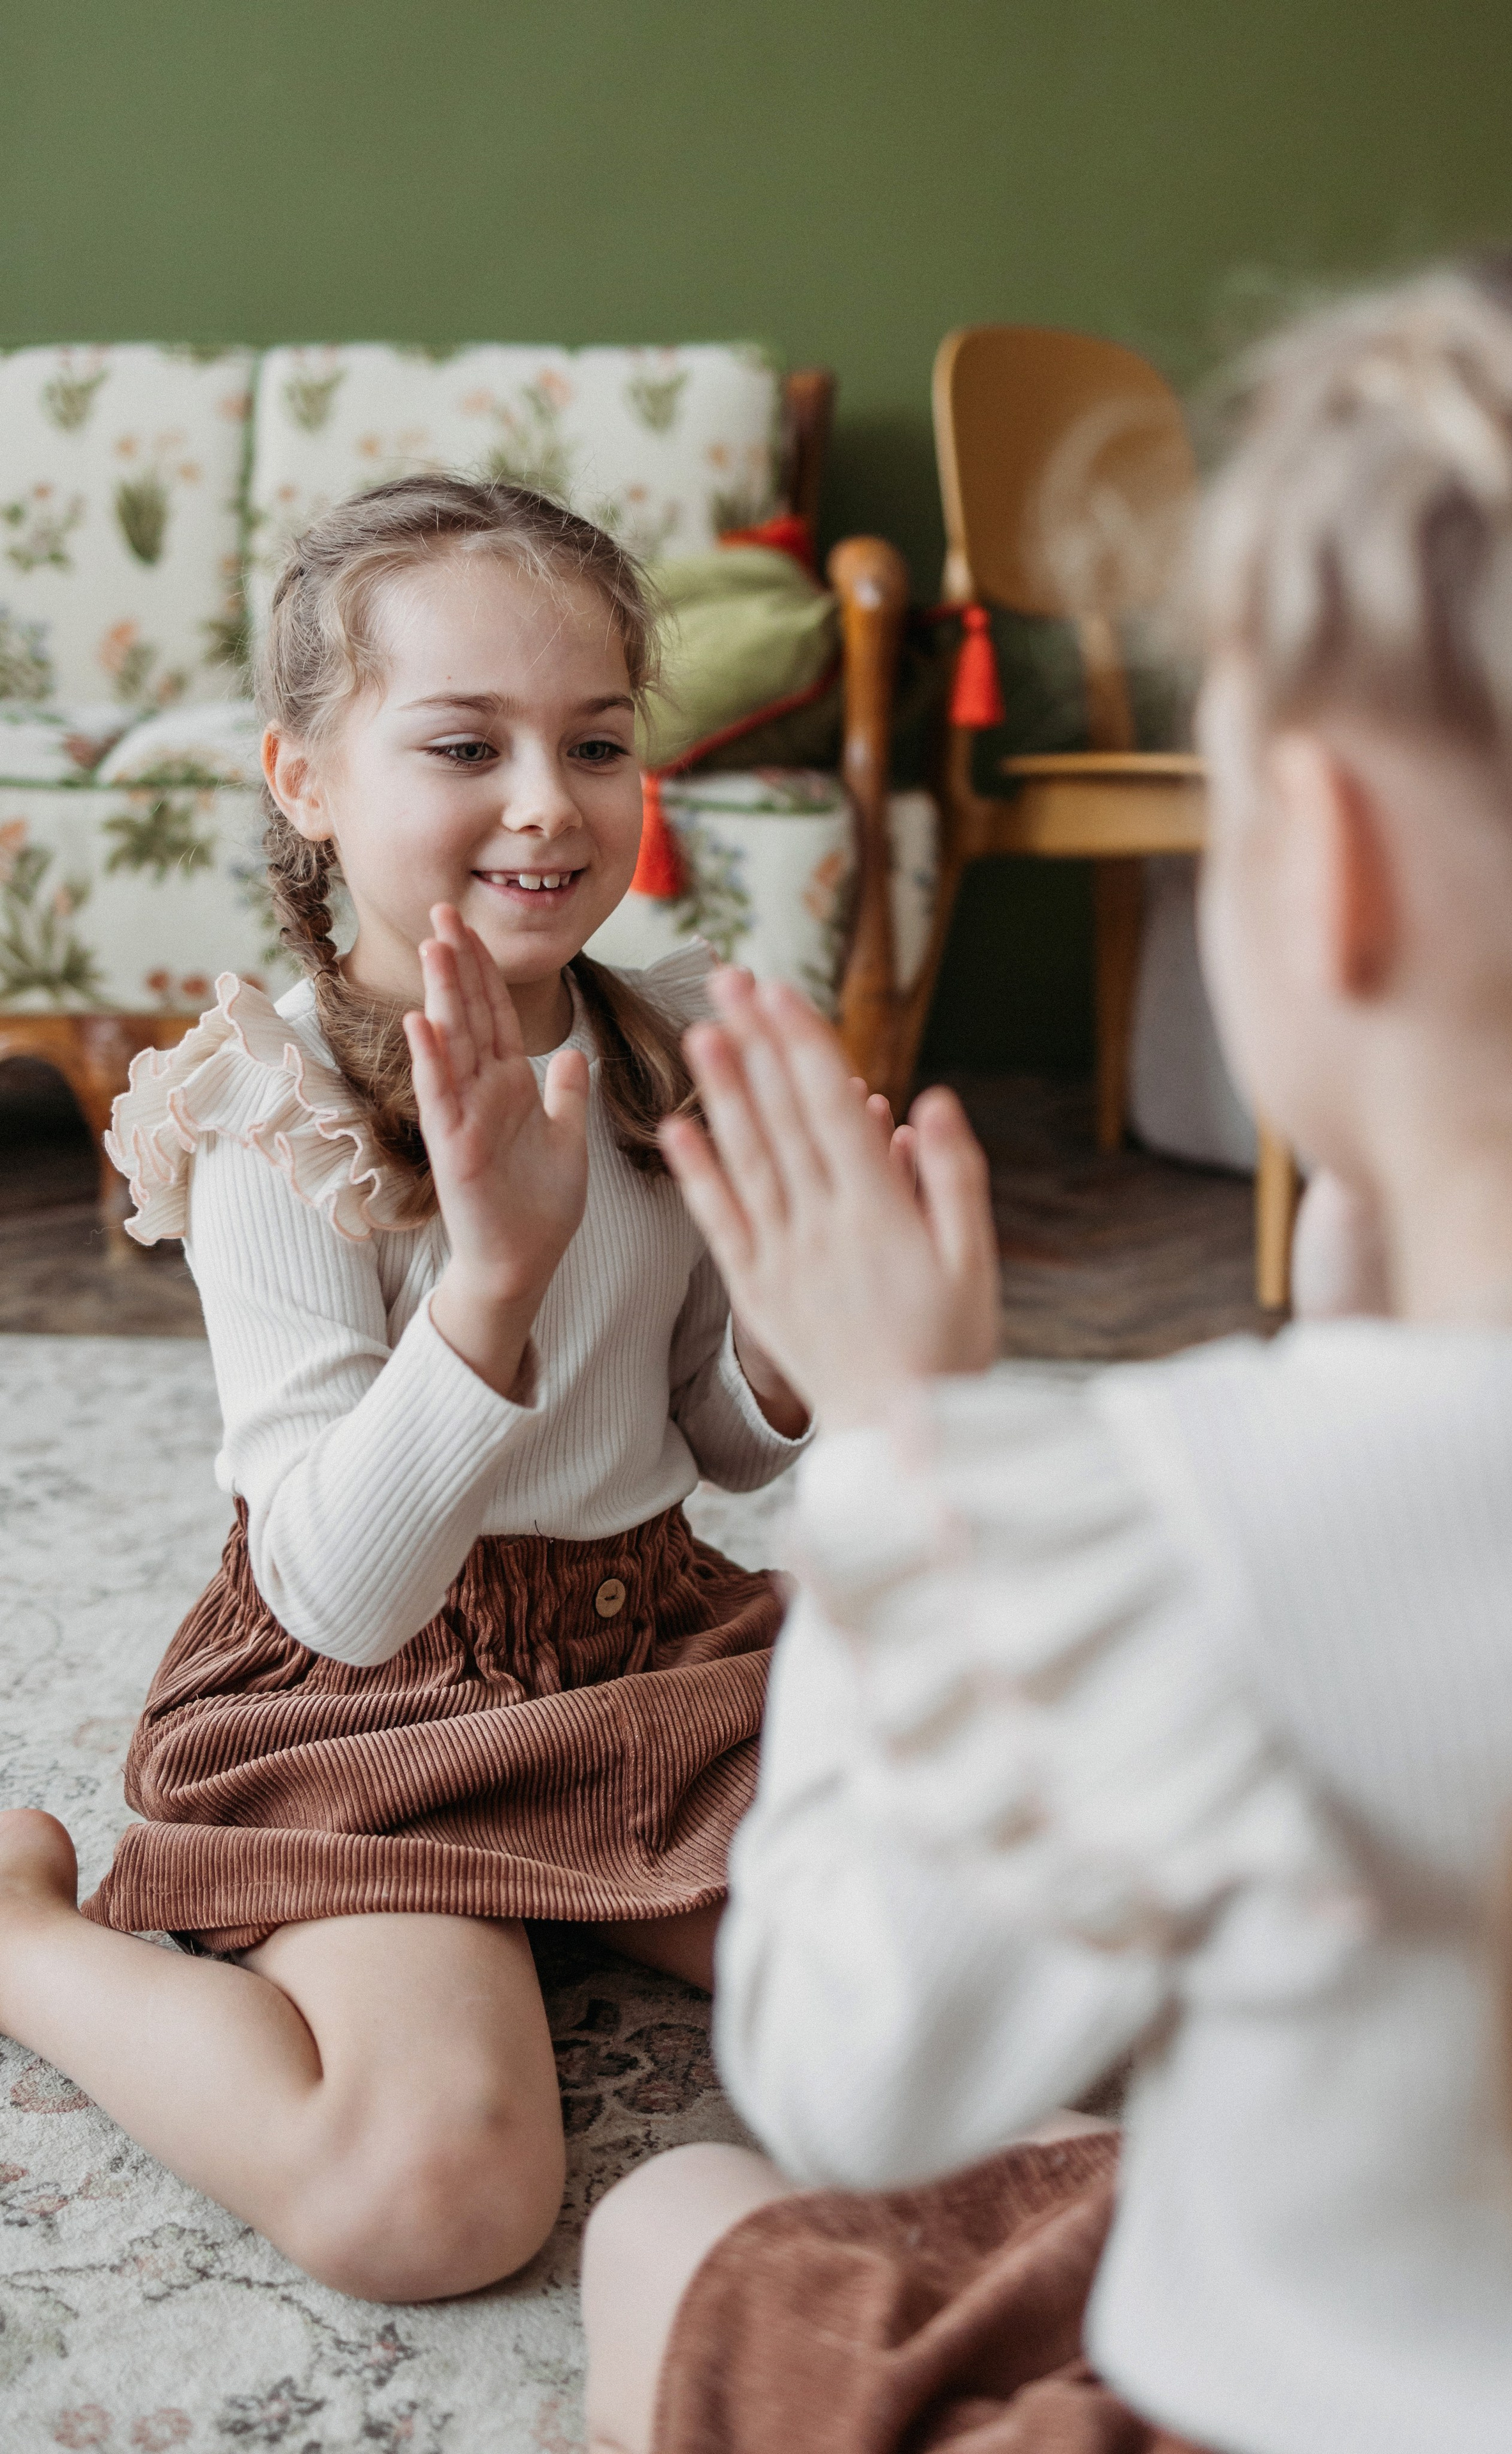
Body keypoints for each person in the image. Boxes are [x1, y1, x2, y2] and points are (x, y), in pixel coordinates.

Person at [580, 240, 1512, 2453]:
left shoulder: (1180, 1529)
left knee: (675, 2219)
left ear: (1322, 863)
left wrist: (899, 1453)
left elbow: (843, 2067)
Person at [0, 475, 815, 2303]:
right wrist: (497, 1283)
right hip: (376, 1712)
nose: (548, 803)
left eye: (596, 742)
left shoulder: (658, 1040)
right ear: (305, 779)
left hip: (656, 1651)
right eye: (467, 744)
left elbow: (706, 1434)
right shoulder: (271, 1114)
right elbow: (338, 1590)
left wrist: (787, 1339)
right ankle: (24, 1945)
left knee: (971, 1974)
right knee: (426, 2202)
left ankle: (591, 1900)